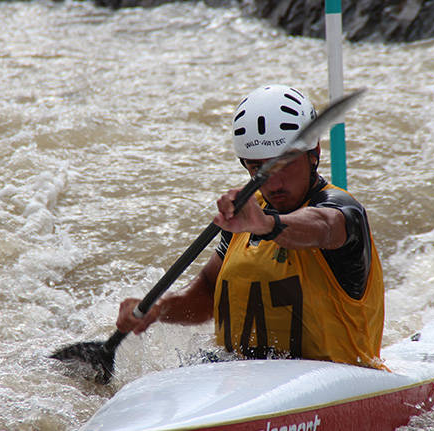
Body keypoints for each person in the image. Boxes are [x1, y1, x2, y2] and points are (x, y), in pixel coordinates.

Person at [116, 84, 386, 369]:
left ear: (314, 153)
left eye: (285, 164)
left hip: (333, 378)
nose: (273, 183)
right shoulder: (247, 211)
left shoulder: (343, 210)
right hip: (243, 379)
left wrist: (267, 224)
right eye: (258, 168)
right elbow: (209, 292)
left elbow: (324, 226)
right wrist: (160, 307)